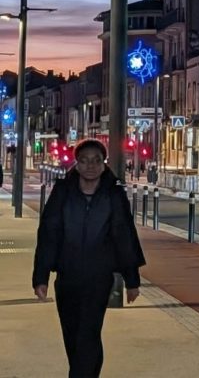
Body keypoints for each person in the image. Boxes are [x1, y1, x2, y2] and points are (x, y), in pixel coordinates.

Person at [32, 138, 145, 377]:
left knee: (88, 333)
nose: (90, 166)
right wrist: (40, 276)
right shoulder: (63, 192)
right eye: (84, 161)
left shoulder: (113, 194)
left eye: (96, 160)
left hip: (98, 278)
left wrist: (132, 279)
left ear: (103, 164)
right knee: (73, 335)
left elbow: (123, 234)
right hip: (67, 278)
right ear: (77, 164)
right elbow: (49, 233)